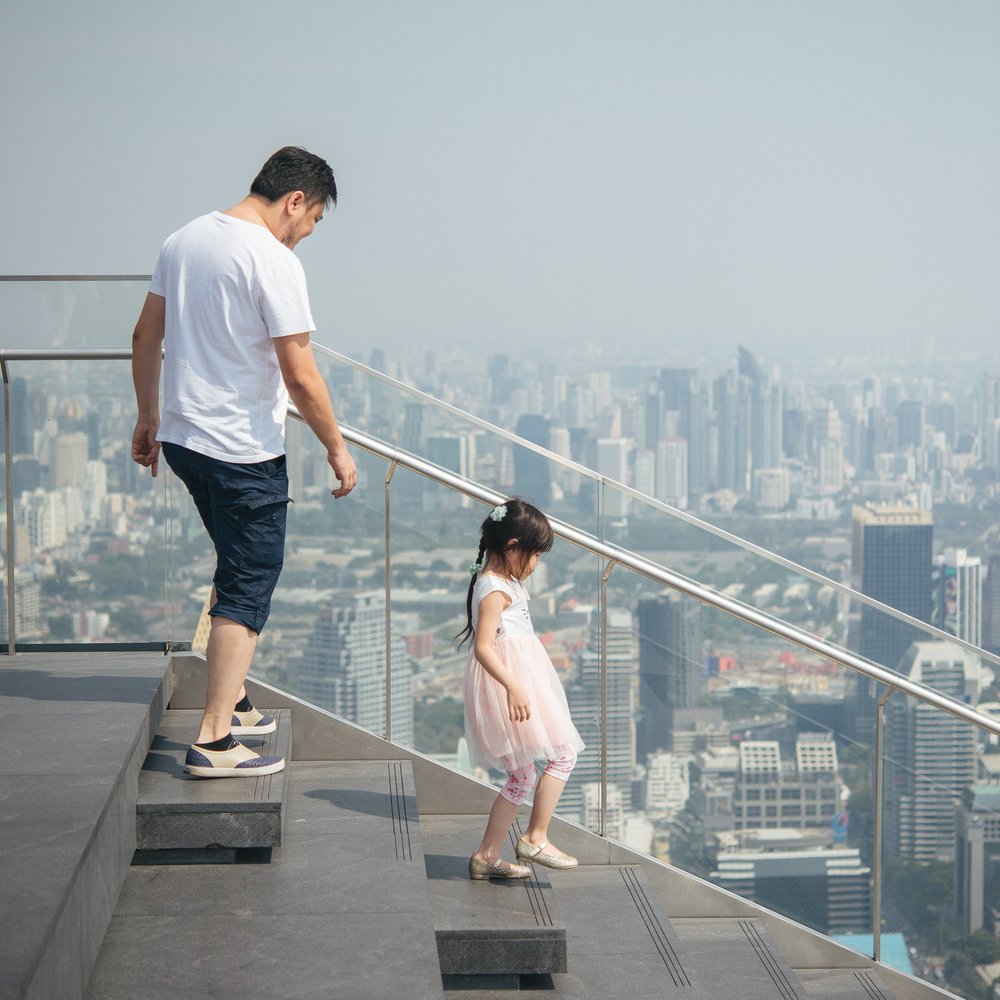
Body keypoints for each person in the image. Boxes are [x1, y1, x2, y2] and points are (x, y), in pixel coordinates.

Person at [130, 146, 356, 778]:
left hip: (184, 441)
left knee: (234, 564)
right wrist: (336, 447)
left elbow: (145, 335)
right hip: (240, 450)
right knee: (251, 578)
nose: (305, 236)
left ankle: (235, 696)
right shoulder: (271, 260)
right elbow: (300, 372)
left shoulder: (185, 240)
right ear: (294, 201)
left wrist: (148, 416)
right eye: (311, 222)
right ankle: (213, 738)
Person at [459, 498, 585, 879]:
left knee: (522, 776)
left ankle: (487, 854)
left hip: (519, 682)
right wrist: (514, 685)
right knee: (563, 756)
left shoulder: (502, 581)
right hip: (510, 686)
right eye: (534, 555)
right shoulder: (495, 588)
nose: (536, 565)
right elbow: (483, 647)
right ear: (512, 546)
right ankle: (535, 836)